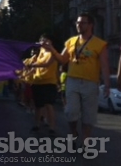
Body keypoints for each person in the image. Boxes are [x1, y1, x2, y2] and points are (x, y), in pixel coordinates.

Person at [41, 12, 110, 145]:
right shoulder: (71, 42)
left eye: (82, 23)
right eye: (77, 23)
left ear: (91, 25)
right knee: (70, 112)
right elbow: (62, 60)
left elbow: (105, 65)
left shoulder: (99, 44)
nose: (79, 25)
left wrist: (107, 85)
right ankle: (73, 132)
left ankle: (85, 141)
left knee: (88, 116)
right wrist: (52, 50)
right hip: (72, 80)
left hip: (90, 82)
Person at [26, 34, 58, 135]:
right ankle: (36, 124)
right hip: (37, 82)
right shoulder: (39, 54)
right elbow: (33, 68)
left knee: (49, 105)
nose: (44, 42)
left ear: (51, 42)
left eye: (46, 40)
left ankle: (51, 127)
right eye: (42, 41)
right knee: (38, 106)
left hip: (49, 82)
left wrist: (32, 64)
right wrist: (26, 74)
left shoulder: (53, 52)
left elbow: (47, 64)